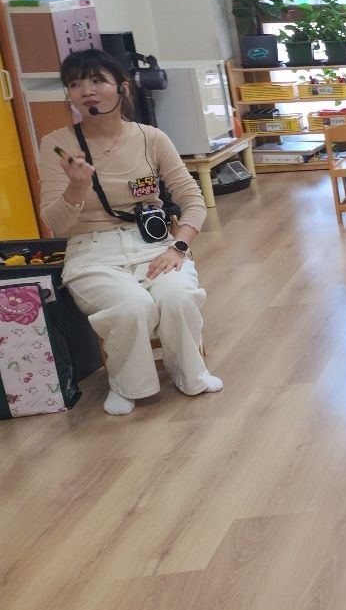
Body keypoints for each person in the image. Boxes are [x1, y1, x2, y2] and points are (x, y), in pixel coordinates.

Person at [36, 48, 217, 417]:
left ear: (122, 87)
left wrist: (178, 248)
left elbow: (192, 200)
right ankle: (129, 386)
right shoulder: (58, 144)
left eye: (97, 80)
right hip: (91, 252)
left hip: (154, 245)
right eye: (75, 84)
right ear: (69, 94)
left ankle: (192, 376)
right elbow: (57, 224)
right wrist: (76, 187)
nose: (87, 90)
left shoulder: (152, 138)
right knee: (132, 305)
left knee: (178, 296)